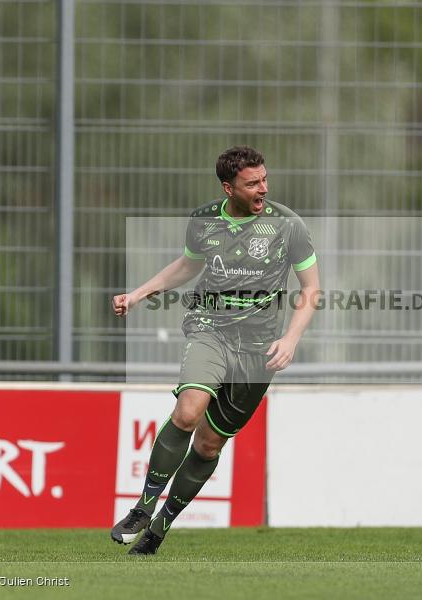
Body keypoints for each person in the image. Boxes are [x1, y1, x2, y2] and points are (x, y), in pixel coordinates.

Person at [110, 146, 320, 555]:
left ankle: (158, 529)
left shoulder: (288, 225)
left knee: (208, 445)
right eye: (252, 183)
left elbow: (311, 289)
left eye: (264, 179)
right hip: (210, 330)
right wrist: (137, 295)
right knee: (188, 411)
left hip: (260, 351)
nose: (263, 188)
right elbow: (188, 266)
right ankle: (142, 506)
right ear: (229, 188)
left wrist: (290, 338)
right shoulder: (204, 220)